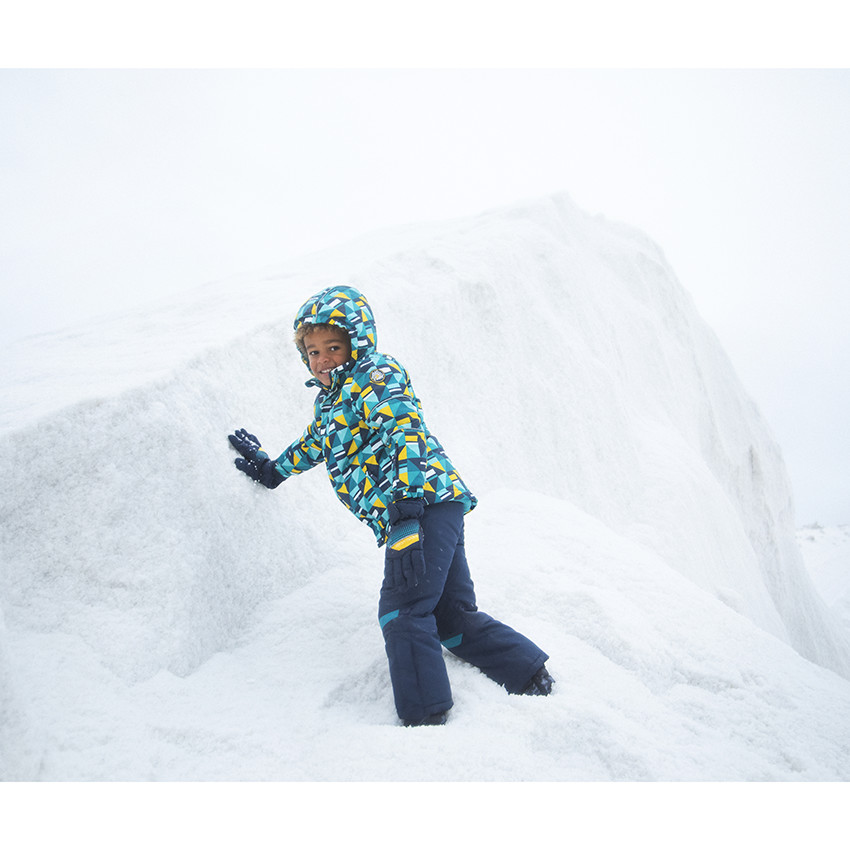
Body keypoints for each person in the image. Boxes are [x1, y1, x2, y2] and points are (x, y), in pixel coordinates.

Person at [228, 285, 553, 726]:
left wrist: (404, 509)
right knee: (448, 615)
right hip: (430, 505)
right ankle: (530, 675)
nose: (322, 359)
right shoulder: (331, 404)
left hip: (422, 504)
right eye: (312, 351)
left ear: (357, 343)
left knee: (402, 612)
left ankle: (425, 721)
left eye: (333, 347)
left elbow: (407, 431)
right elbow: (315, 444)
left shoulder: (375, 374)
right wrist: (273, 470)